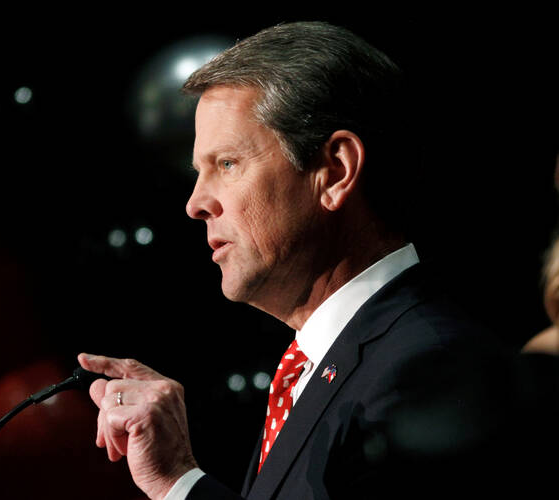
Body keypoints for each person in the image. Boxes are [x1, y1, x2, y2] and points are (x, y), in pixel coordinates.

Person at [79, 21, 502, 499]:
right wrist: (175, 480)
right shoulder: (322, 364)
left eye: (227, 164)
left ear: (335, 171)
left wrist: (180, 481)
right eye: (198, 172)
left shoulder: (429, 371)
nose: (195, 203)